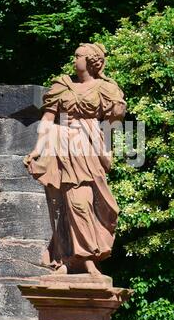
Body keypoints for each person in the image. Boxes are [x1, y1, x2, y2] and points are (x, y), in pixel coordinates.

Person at [23, 42, 126, 275]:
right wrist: (37, 150)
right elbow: (48, 120)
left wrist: (104, 141)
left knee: (86, 203)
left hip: (88, 147)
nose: (74, 60)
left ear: (90, 61)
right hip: (63, 146)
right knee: (65, 205)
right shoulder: (63, 86)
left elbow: (115, 120)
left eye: (78, 56)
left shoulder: (104, 87)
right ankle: (71, 260)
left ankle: (88, 257)